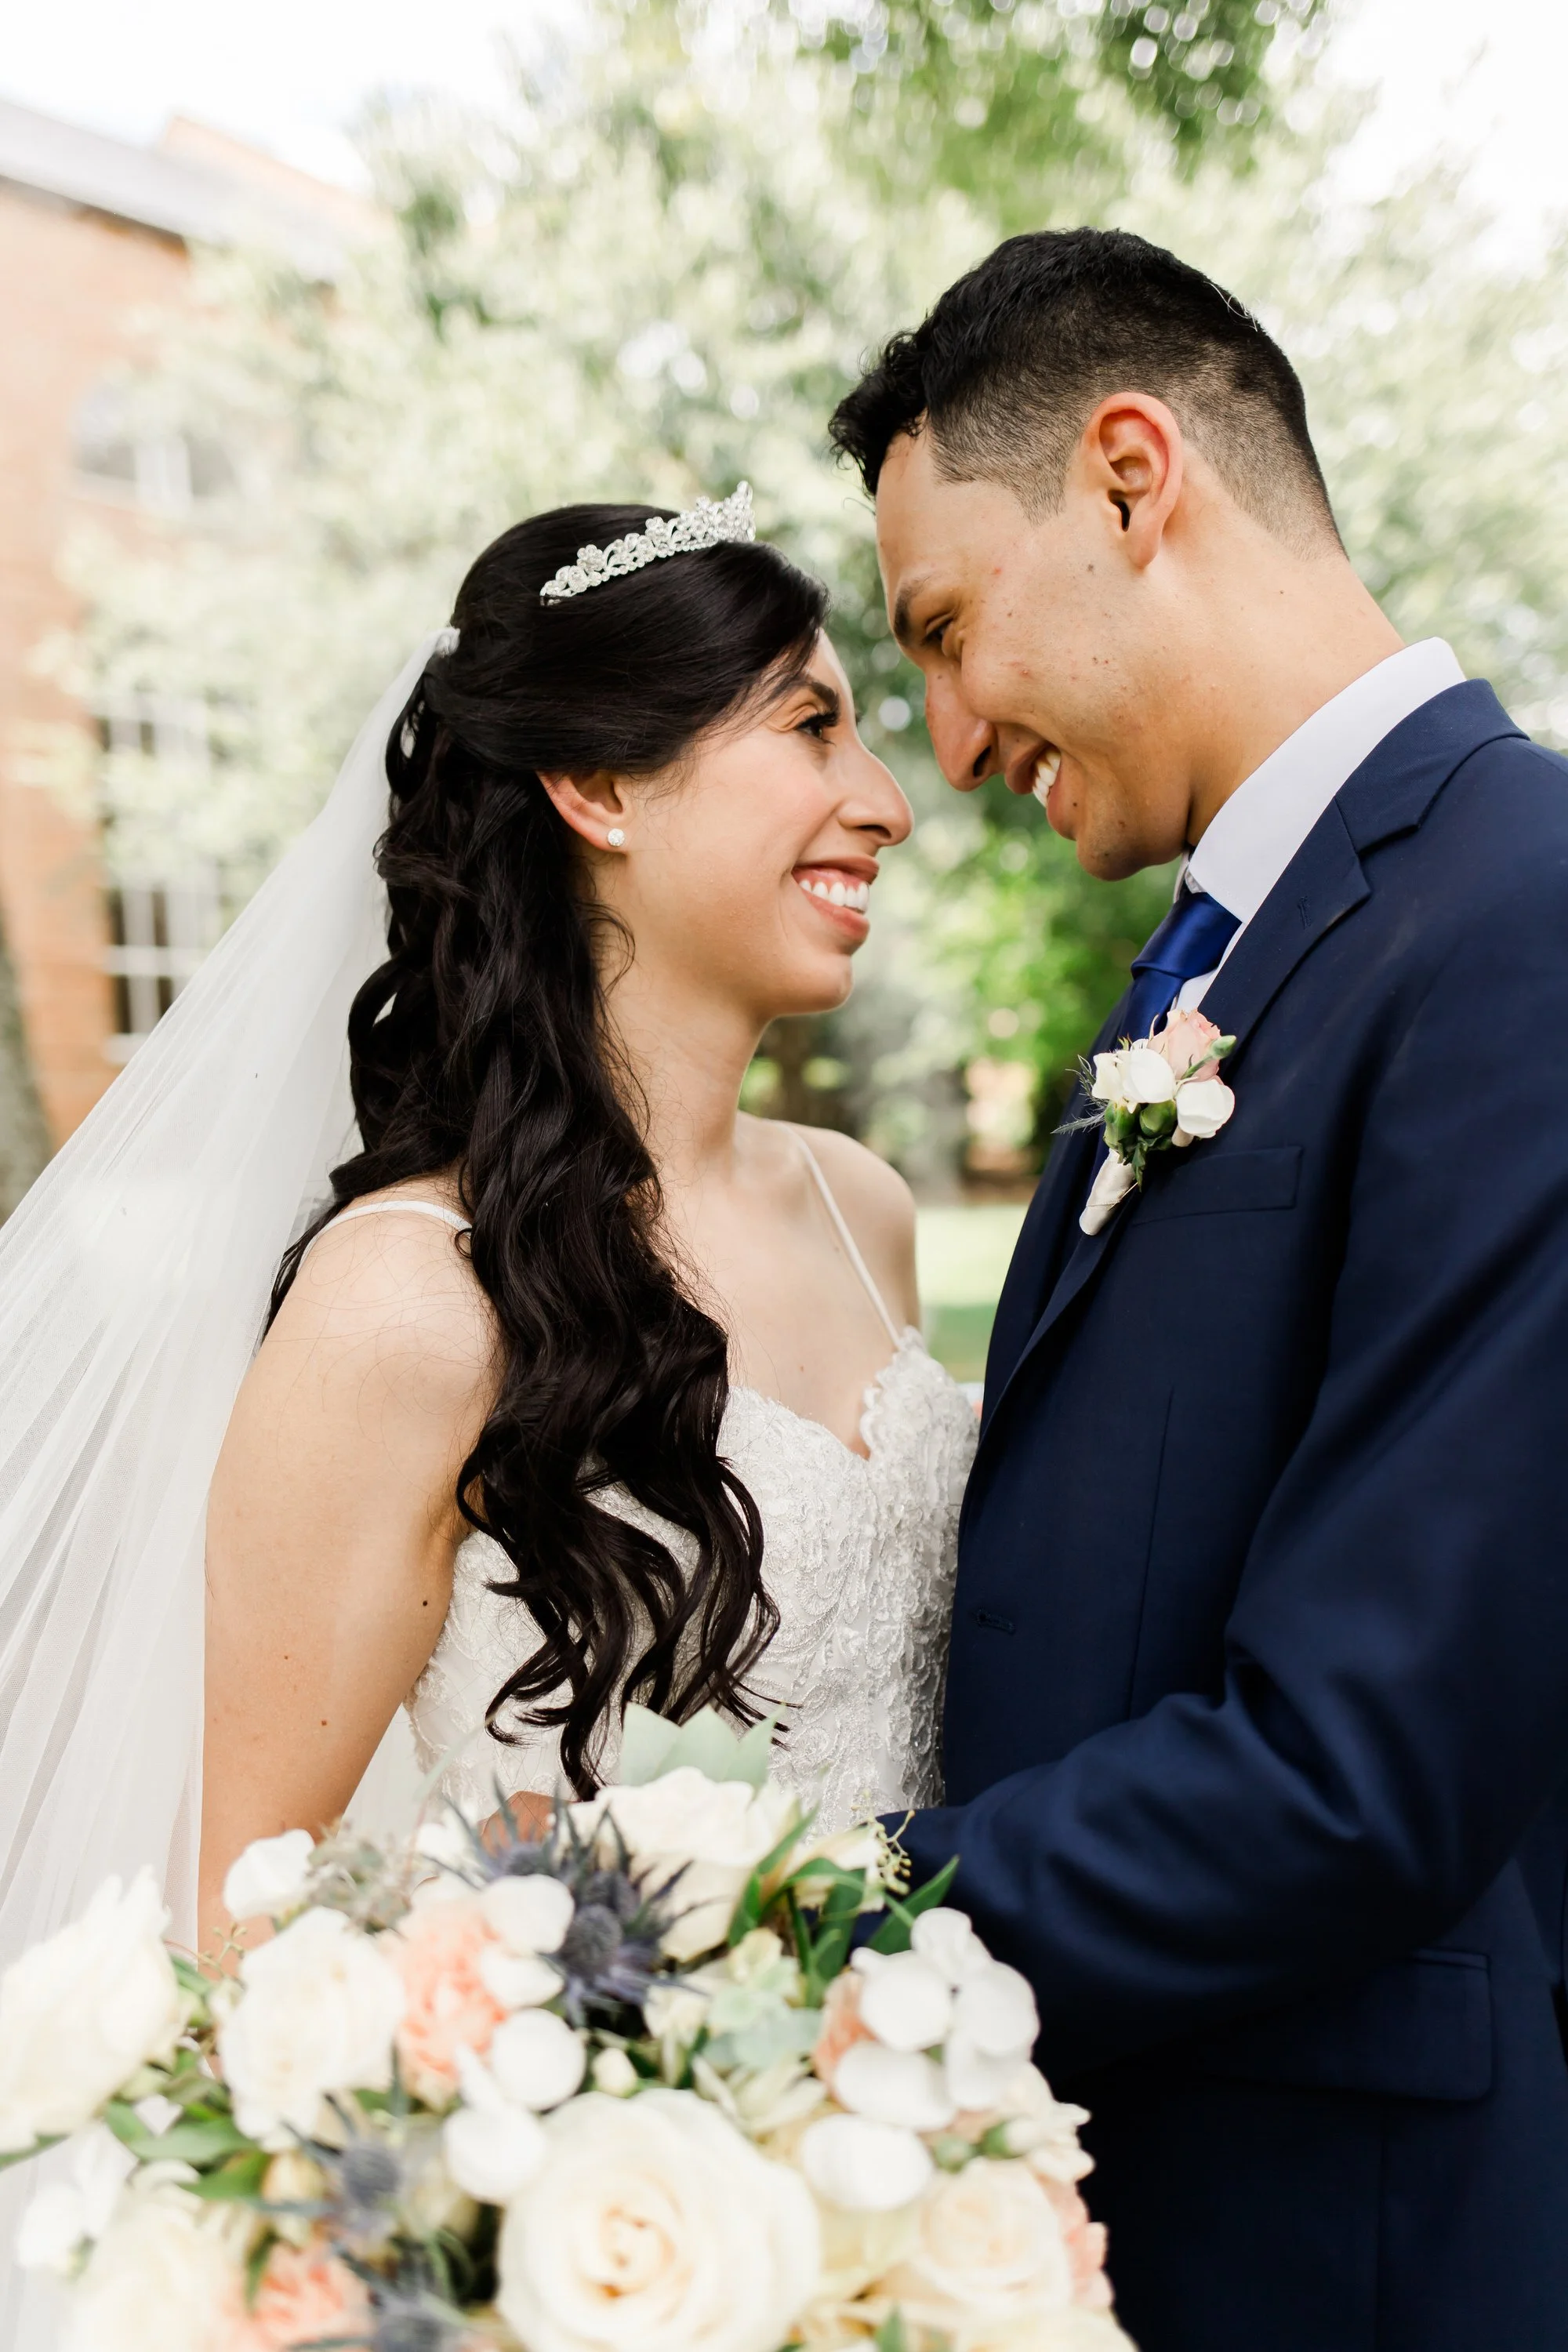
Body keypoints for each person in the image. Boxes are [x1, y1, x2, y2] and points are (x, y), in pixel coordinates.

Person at [0, 489, 976, 2339]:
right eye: (810, 725)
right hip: (589, 2242)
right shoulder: (409, 1298)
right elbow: (254, 1929)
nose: (885, 802)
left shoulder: (864, 1213)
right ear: (598, 792)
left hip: (905, 2189)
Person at [830, 227, 1568, 2352]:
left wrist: (835, 1914)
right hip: (1132, 2205)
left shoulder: (1514, 915)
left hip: (1347, 2249)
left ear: (1134, 479)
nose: (951, 745)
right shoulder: (1236, 955)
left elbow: (1368, 1757)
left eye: (947, 631)